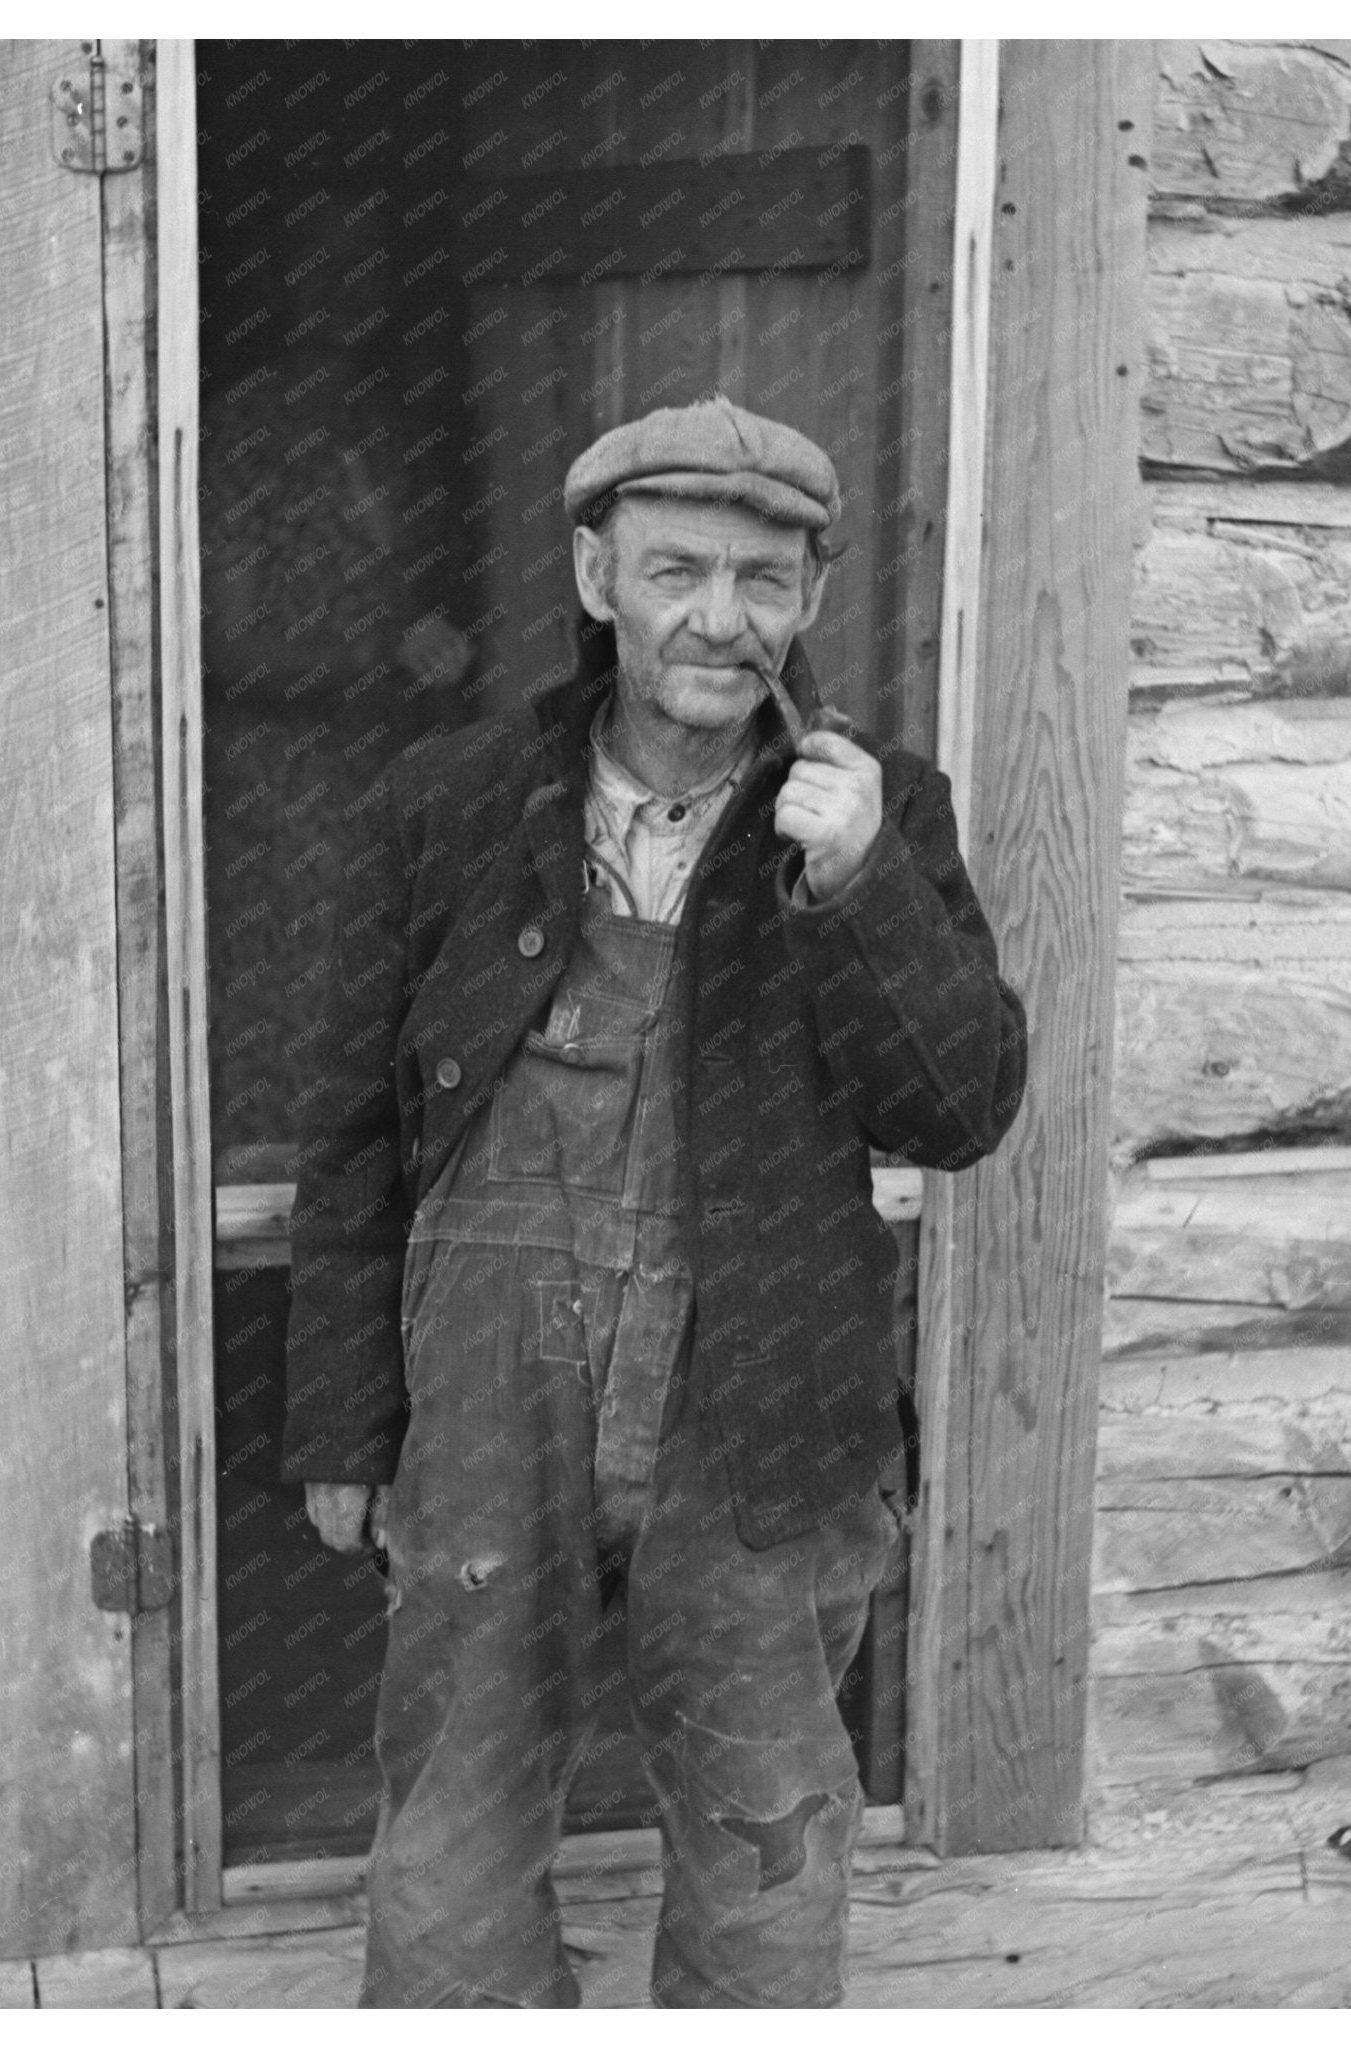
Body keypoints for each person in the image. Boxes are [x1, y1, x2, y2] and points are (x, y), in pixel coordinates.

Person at [281, 395, 1027, 2007]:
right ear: (594, 573)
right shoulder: (454, 798)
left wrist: (862, 886)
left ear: (812, 599)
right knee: (452, 1831)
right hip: (489, 1391)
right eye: (675, 567)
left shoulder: (882, 806)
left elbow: (959, 1110)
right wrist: (343, 1426)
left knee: (771, 1826)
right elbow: (352, 1132)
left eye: (763, 580)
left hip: (761, 1402)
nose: (719, 616)